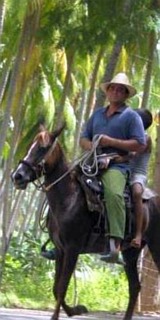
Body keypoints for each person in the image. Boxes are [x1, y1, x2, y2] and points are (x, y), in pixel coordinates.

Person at [80, 72, 146, 265]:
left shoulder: (131, 117)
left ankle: (115, 245)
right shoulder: (97, 114)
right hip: (91, 161)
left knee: (114, 193)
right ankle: (56, 237)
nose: (115, 91)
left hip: (117, 165)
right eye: (112, 88)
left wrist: (110, 142)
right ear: (107, 91)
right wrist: (93, 146)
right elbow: (83, 138)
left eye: (120, 89)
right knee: (63, 184)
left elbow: (140, 144)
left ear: (126, 95)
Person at [130, 109, 153, 248]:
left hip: (137, 174)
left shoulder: (145, 138)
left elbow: (131, 154)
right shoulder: (127, 135)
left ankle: (138, 234)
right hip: (123, 171)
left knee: (137, 192)